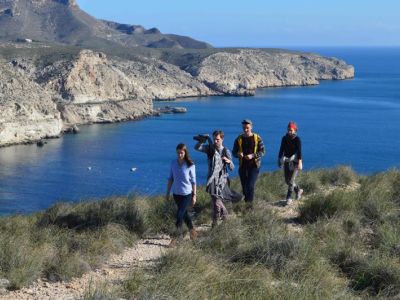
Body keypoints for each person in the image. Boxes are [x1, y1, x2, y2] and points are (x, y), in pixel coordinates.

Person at [194, 130, 241, 227]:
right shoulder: (209, 148)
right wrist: (202, 140)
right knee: (216, 201)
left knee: (216, 202)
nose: (215, 141)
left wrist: (228, 161)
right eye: (214, 139)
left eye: (218, 139)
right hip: (211, 180)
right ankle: (220, 221)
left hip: (222, 181)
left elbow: (232, 168)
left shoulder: (226, 151)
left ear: (222, 139)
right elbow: (197, 147)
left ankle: (217, 222)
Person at [166, 143, 197, 245]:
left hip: (186, 194)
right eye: (178, 153)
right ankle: (192, 231)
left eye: (182, 153)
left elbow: (193, 181)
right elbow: (170, 178)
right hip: (176, 194)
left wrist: (194, 195)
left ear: (185, 153)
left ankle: (176, 238)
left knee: (179, 215)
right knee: (184, 214)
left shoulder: (190, 164)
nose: (180, 155)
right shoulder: (173, 163)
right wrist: (168, 192)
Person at [232, 119, 265, 208]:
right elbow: (234, 152)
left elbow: (262, 151)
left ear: (251, 127)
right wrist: (238, 154)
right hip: (243, 166)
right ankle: (247, 203)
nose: (245, 130)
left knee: (250, 185)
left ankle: (249, 207)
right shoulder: (239, 139)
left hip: (254, 166)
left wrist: (253, 155)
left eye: (247, 128)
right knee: (244, 187)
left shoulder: (257, 138)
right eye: (244, 128)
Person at [278, 121, 303, 205]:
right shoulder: (284, 138)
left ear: (295, 130)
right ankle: (298, 190)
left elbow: (299, 151)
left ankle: (288, 198)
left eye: (291, 130)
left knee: (291, 181)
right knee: (287, 180)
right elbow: (281, 149)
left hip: (295, 161)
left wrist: (300, 162)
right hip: (286, 161)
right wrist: (279, 159)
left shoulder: (297, 139)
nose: (289, 132)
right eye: (288, 130)